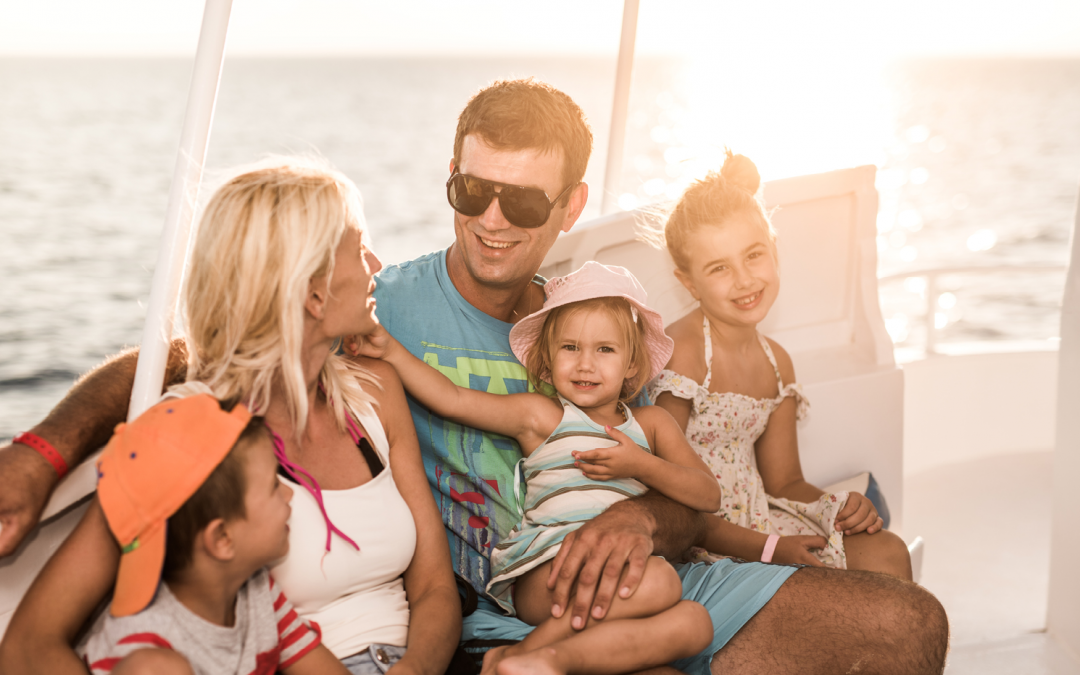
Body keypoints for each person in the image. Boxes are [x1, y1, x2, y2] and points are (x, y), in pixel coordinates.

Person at [0, 79, 948, 674]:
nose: (491, 218)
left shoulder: (593, 318)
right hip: (506, 619)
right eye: (469, 190)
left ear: (571, 204)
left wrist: (637, 518)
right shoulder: (387, 312)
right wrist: (44, 451)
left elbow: (676, 476)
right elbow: (199, 362)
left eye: (523, 199)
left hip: (649, 579)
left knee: (907, 629)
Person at [0, 159, 460, 675]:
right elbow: (28, 646)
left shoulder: (375, 392)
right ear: (313, 293)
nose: (376, 263)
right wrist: (43, 452)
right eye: (358, 247)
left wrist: (415, 670)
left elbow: (436, 588)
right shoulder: (190, 436)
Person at [358, 261, 726, 674]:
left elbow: (707, 495)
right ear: (547, 363)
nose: (586, 364)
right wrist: (389, 349)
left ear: (633, 367)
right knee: (662, 582)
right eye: (571, 347)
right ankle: (529, 654)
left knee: (696, 624)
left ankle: (538, 661)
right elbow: (452, 398)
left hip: (621, 577)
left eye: (605, 349)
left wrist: (641, 464)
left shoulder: (653, 425)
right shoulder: (543, 416)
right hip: (547, 570)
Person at [648, 151, 914, 580]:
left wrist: (840, 504)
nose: (744, 279)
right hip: (702, 537)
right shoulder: (684, 353)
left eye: (754, 255)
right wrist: (771, 548)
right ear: (688, 282)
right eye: (719, 268)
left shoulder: (777, 364)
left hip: (761, 517)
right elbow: (666, 491)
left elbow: (785, 482)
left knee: (888, 553)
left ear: (773, 247)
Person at [82, 394, 347, 675]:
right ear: (222, 538)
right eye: (273, 485)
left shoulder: (257, 591)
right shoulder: (151, 661)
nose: (289, 493)